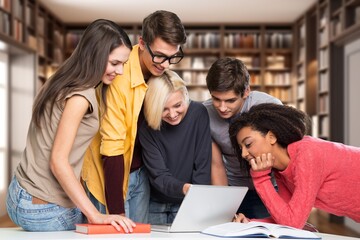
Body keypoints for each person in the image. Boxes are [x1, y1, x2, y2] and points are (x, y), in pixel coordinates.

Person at [6, 19, 135, 232]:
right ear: (94, 56)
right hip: (42, 208)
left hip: (18, 193)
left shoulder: (61, 78)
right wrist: (95, 216)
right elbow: (58, 161)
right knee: (110, 225)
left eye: (124, 64)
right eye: (114, 63)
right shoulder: (81, 96)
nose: (120, 71)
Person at [81, 10, 187, 223]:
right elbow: (112, 148)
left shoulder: (159, 72)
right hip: (109, 175)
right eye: (159, 55)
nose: (165, 64)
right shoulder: (119, 77)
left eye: (172, 57)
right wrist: (116, 213)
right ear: (141, 42)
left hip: (140, 173)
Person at [229, 103, 360, 229]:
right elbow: (285, 217)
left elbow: (293, 222)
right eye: (241, 148)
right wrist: (250, 223)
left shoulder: (307, 154)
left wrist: (260, 178)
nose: (243, 154)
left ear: (272, 137)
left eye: (248, 144)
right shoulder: (281, 171)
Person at [203, 57, 282, 218]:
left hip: (270, 187)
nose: (222, 108)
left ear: (246, 91)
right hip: (232, 190)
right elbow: (216, 165)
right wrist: (224, 207)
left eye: (230, 100)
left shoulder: (270, 107)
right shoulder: (205, 113)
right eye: (216, 99)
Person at [139, 70, 211, 224]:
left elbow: (203, 166)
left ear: (186, 96)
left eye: (178, 105)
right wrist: (186, 188)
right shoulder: (146, 126)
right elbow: (158, 175)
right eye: (163, 109)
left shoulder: (199, 114)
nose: (172, 114)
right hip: (155, 203)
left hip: (189, 202)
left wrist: (196, 198)